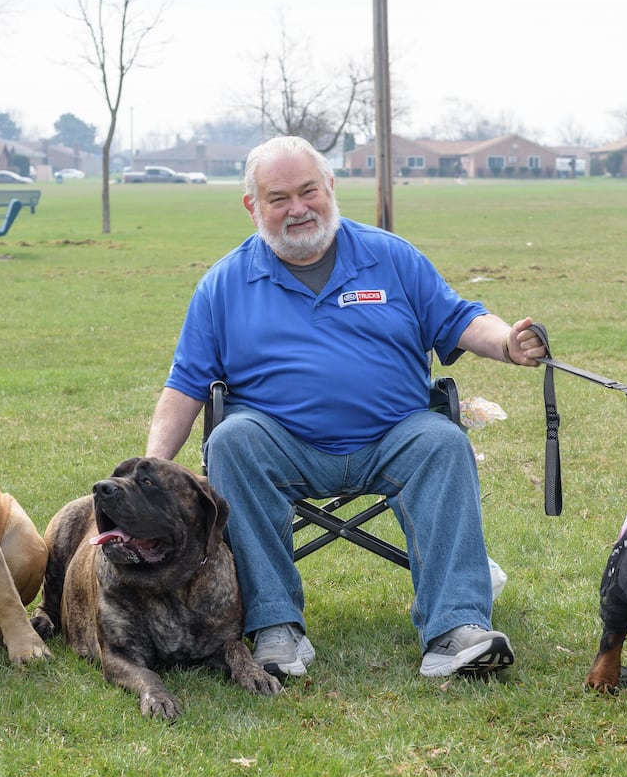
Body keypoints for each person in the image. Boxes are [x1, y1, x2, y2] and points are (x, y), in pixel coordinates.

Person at [145, 136, 546, 679]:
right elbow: (186, 385)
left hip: (393, 438)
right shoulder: (223, 285)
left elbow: (462, 318)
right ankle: (274, 628)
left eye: (308, 191)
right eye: (278, 198)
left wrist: (506, 343)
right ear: (252, 207)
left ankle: (455, 629)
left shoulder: (392, 258)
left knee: (444, 440)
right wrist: (151, 474)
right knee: (231, 440)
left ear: (330, 187)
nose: (298, 209)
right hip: (282, 447)